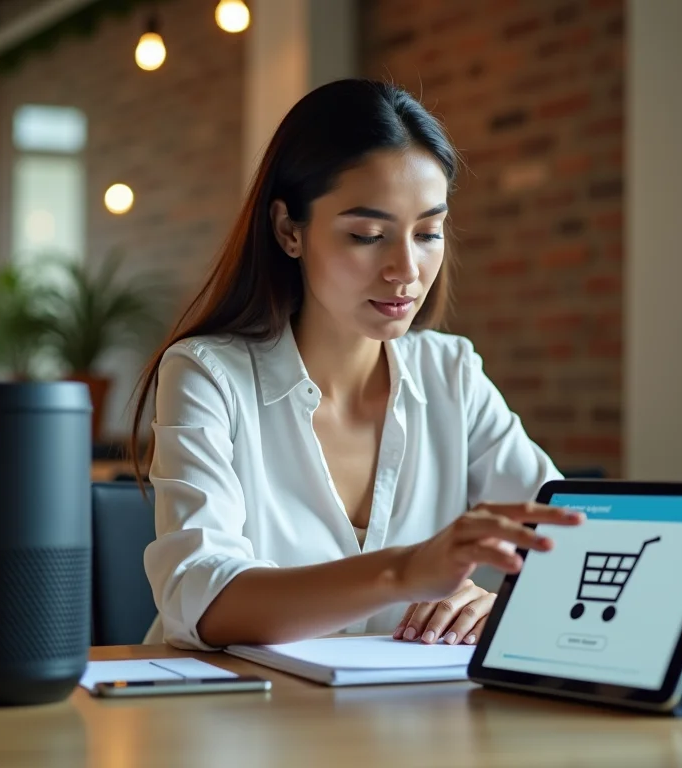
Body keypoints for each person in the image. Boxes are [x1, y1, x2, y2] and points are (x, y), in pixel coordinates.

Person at [130, 78, 583, 652]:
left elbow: (574, 540)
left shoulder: (452, 374)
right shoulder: (207, 376)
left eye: (428, 233)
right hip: (231, 702)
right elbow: (201, 599)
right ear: (289, 231)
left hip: (407, 706)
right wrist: (403, 572)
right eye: (367, 235)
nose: (406, 269)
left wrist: (501, 605)